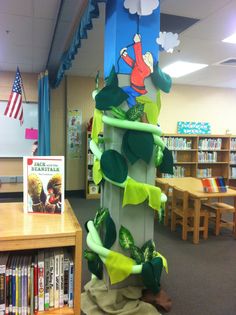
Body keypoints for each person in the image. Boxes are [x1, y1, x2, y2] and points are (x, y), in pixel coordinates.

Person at [120, 33, 154, 108]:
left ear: (148, 61)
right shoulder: (139, 66)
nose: (143, 56)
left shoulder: (145, 69)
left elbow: (139, 58)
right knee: (125, 93)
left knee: (124, 92)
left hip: (137, 89)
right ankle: (133, 107)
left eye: (145, 57)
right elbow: (131, 63)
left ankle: (134, 107)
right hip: (134, 88)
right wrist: (124, 55)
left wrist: (137, 42)